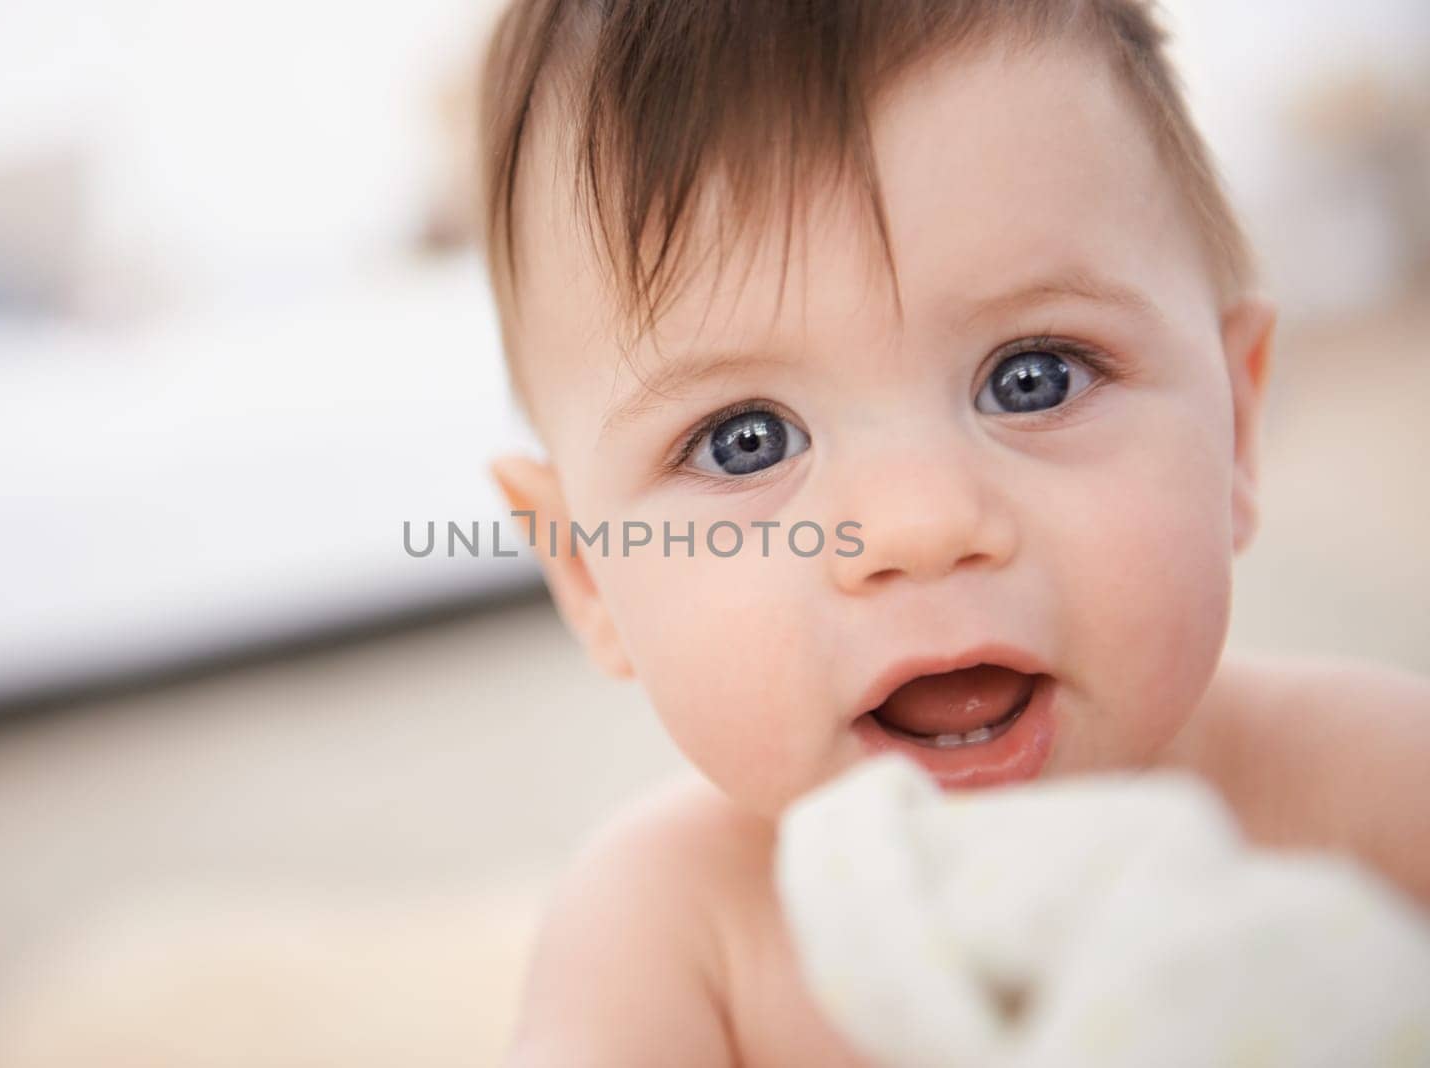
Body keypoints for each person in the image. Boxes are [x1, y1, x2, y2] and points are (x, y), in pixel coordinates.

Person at [472, 1, 1430, 1063]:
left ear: (1237, 427)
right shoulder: (669, 934)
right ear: (589, 575)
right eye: (744, 441)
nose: (919, 527)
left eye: (1033, 378)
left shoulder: (1374, 790)